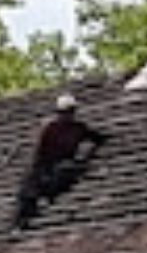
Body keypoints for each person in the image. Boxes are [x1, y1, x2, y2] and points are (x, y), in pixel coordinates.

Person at [14, 93, 105, 228]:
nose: (66, 116)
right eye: (64, 113)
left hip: (65, 168)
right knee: (27, 187)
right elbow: (40, 156)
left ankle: (49, 194)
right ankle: (23, 220)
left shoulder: (78, 128)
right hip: (46, 169)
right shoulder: (50, 130)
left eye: (69, 112)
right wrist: (42, 174)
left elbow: (96, 138)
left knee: (66, 169)